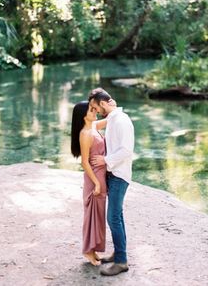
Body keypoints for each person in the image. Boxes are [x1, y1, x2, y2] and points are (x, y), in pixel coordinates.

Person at [89, 88, 134, 276]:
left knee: (113, 217)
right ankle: (118, 253)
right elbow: (92, 126)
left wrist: (104, 160)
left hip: (119, 175)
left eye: (96, 107)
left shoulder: (121, 121)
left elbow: (126, 150)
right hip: (113, 173)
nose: (96, 111)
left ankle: (122, 261)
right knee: (118, 216)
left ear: (104, 103)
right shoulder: (113, 118)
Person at [71, 101, 108, 266]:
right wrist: (96, 183)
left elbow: (112, 118)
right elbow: (84, 162)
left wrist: (111, 105)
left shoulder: (93, 126)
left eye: (95, 109)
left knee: (99, 215)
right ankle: (87, 251)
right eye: (91, 110)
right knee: (92, 215)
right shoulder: (85, 133)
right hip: (94, 178)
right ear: (82, 115)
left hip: (101, 175)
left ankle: (93, 249)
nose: (95, 111)